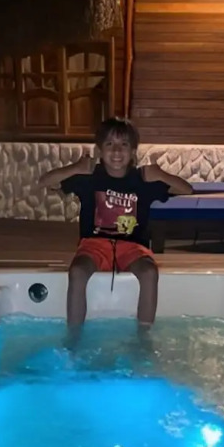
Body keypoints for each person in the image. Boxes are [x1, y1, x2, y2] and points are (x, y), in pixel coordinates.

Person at [39, 116, 193, 339]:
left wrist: (161, 174)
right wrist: (76, 167)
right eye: (110, 144)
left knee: (149, 272)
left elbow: (187, 189)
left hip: (133, 247)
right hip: (94, 244)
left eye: (124, 144)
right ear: (100, 150)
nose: (117, 151)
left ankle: (143, 337)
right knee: (77, 271)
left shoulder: (143, 179)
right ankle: (74, 336)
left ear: (133, 151)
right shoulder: (89, 177)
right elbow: (45, 181)